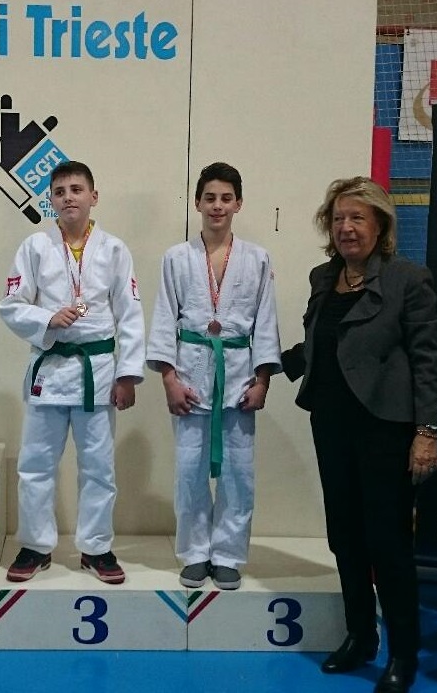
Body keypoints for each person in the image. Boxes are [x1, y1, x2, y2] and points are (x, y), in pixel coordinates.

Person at [281, 176, 437, 693]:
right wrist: (263, 367)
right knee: (344, 535)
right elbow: (317, 345)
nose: (346, 227)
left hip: (385, 429)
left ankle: (403, 654)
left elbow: (426, 361)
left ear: (380, 225)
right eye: (338, 219)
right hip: (331, 423)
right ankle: (360, 637)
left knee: (388, 543)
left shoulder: (406, 280)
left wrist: (427, 432)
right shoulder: (322, 277)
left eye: (357, 218)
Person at [0, 161, 144, 584]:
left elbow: (130, 314)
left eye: (76, 189)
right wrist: (46, 318)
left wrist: (128, 374)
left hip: (98, 371)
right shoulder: (35, 246)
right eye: (60, 192)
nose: (68, 198)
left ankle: (96, 548)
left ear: (93, 196)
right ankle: (35, 545)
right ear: (51, 200)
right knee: (36, 463)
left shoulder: (114, 249)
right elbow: (11, 304)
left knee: (98, 466)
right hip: (50, 369)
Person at [146, 161, 281, 591]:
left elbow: (266, 322)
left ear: (238, 203)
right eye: (210, 198)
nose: (217, 206)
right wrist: (169, 379)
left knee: (238, 474)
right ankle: (195, 553)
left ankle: (227, 554)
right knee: (189, 472)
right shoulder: (176, 257)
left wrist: (263, 380)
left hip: (239, 377)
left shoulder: (257, 258)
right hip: (190, 375)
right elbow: (164, 319)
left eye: (226, 198)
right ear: (197, 203)